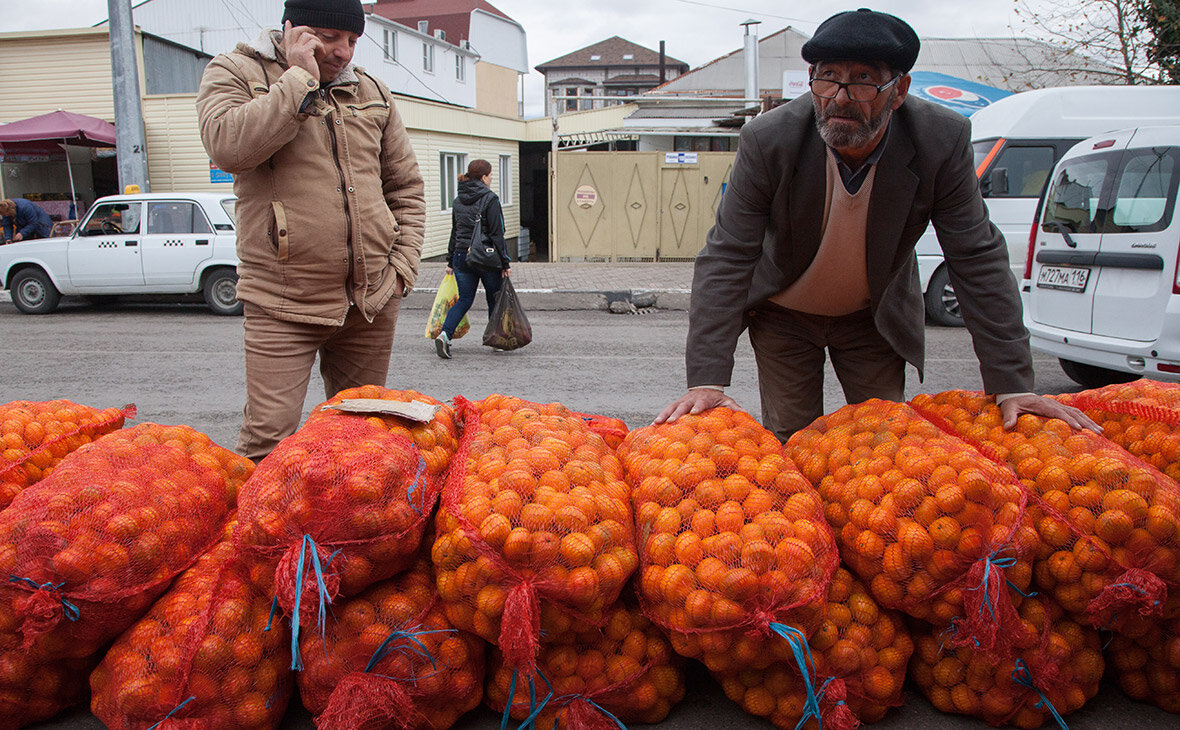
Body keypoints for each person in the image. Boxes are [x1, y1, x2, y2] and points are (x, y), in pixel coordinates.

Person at [656, 8, 1096, 440]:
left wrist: (1012, 383)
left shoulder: (940, 139)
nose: (840, 97)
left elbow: (975, 255)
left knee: (882, 441)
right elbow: (729, 254)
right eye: (828, 77)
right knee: (792, 437)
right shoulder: (770, 139)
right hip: (783, 314)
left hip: (873, 316)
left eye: (864, 80)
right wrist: (707, 381)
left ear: (899, 89)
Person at [196, 0, 426, 461]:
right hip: (283, 300)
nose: (343, 52)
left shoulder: (372, 90)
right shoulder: (236, 72)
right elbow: (228, 148)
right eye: (328, 36)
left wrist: (402, 267)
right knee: (268, 439)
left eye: (352, 41)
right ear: (292, 30)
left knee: (358, 438)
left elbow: (405, 186)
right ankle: (263, 533)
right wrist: (298, 80)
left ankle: (342, 531)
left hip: (370, 301)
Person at [434, 159, 511, 359]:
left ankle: (445, 335)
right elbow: (497, 234)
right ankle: (495, 339)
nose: (492, 178)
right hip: (486, 256)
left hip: (461, 256)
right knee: (493, 298)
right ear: (484, 177)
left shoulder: (458, 199)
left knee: (465, 300)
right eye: (491, 175)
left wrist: (450, 260)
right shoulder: (490, 198)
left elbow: (455, 231)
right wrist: (505, 263)